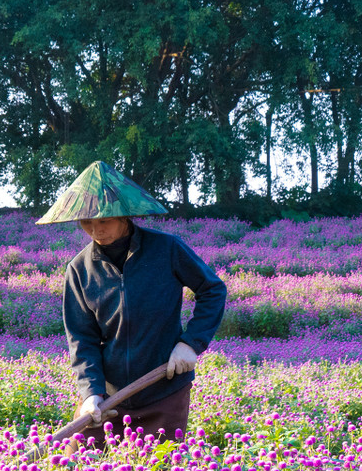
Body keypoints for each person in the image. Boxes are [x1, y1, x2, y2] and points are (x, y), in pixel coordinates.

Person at [37, 161, 227, 447]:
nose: (95, 229)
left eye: (104, 220)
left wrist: (190, 343)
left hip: (164, 388)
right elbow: (81, 338)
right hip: (109, 398)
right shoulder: (79, 270)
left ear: (125, 216)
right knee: (82, 463)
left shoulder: (167, 249)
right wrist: (91, 393)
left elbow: (212, 290)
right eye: (87, 222)